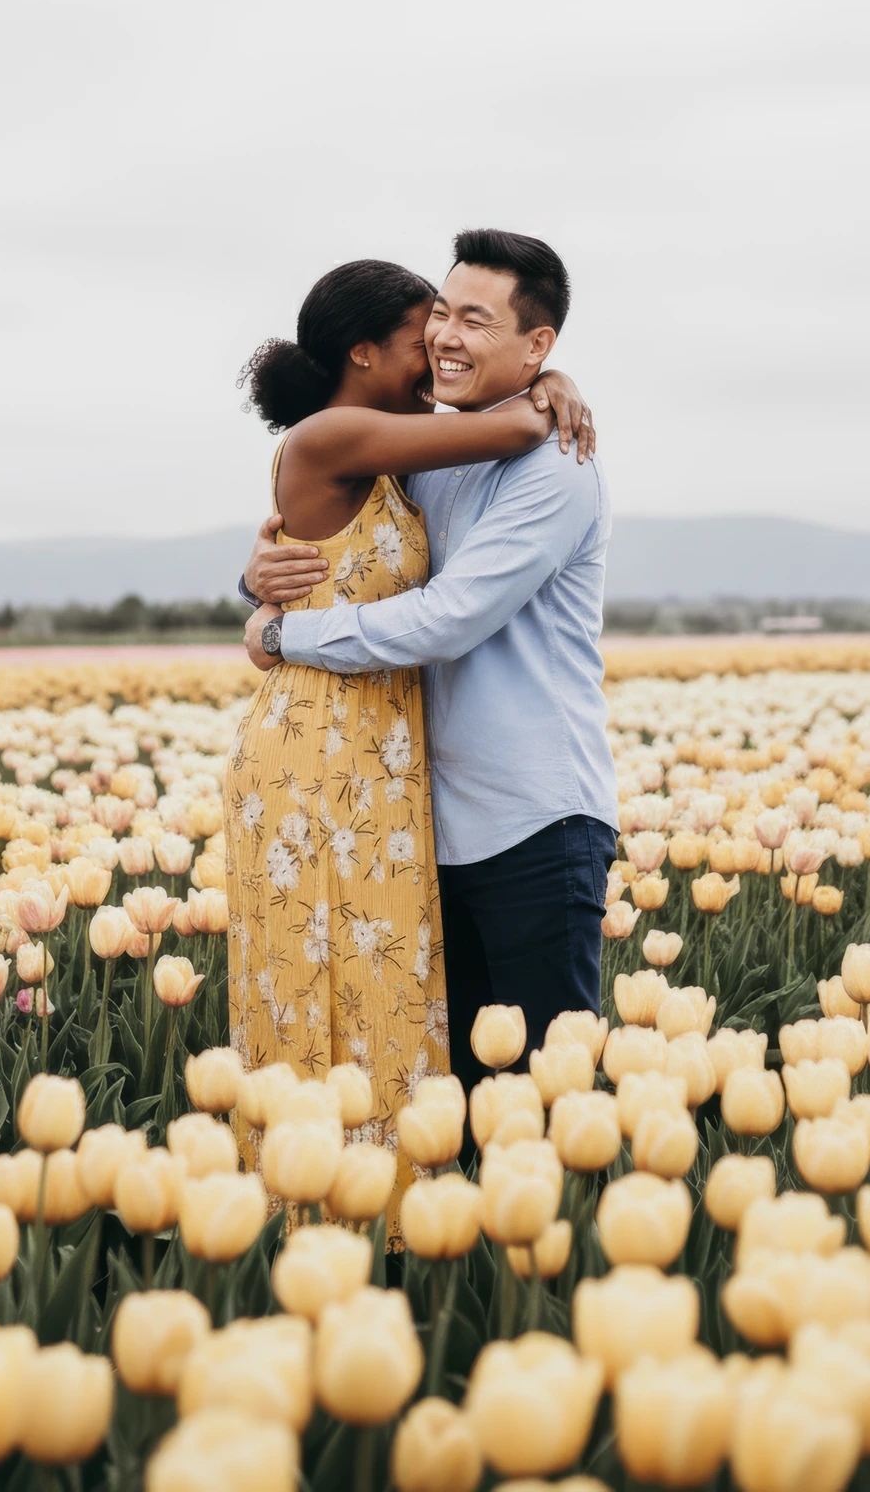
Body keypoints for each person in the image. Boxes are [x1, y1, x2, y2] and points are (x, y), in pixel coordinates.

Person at [223, 255, 591, 1202]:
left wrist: (550, 378)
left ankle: (398, 1219)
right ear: (364, 349)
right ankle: (327, 1210)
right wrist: (547, 385)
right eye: (430, 321)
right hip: (328, 753)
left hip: (442, 783)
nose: (439, 341)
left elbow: (424, 600)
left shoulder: (459, 454)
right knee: (335, 980)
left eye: (466, 319)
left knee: (394, 1002)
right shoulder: (359, 435)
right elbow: (504, 423)